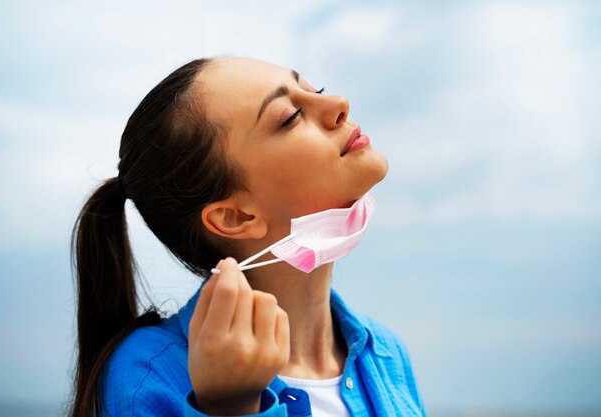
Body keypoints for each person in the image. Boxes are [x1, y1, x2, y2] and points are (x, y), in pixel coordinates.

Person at [69, 56, 426, 417]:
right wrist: (231, 407)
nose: (338, 104)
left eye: (314, 89)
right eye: (290, 116)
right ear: (234, 216)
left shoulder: (386, 352)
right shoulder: (147, 375)